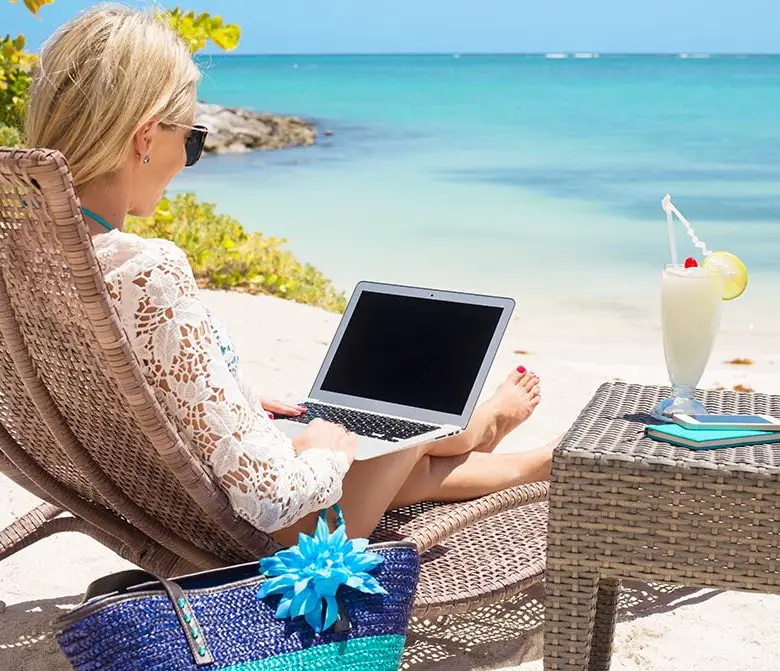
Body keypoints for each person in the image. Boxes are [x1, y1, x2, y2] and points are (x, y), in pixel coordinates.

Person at [26, 5, 555, 545]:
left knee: (387, 432)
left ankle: (510, 453)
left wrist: (229, 406)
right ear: (143, 140)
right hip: (278, 532)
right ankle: (480, 434)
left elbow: (106, 394)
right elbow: (272, 496)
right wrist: (323, 451)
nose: (187, 160)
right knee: (405, 429)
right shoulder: (144, 270)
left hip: (152, 503)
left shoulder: (28, 259)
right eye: (191, 139)